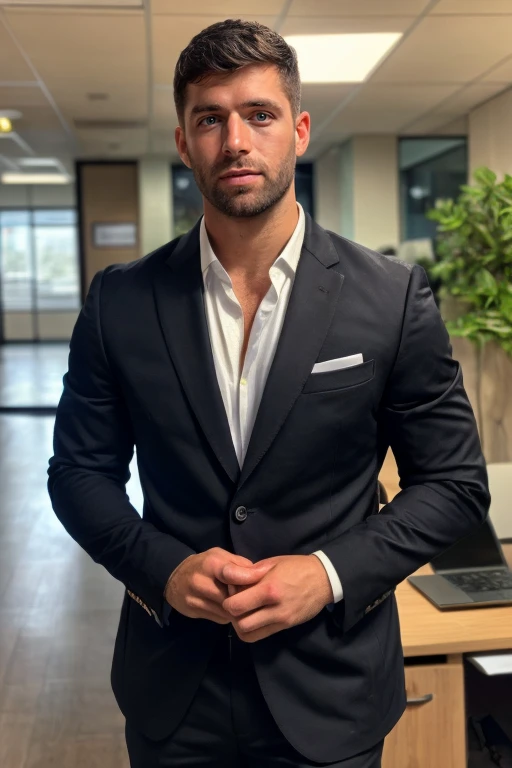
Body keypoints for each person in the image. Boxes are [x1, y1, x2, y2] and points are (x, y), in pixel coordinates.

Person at [48, 18, 490, 768]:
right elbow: (78, 475)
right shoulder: (121, 301)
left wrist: (326, 573)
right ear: (185, 143)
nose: (236, 141)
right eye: (210, 119)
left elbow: (453, 484)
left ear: (299, 129)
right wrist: (165, 567)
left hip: (332, 687)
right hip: (173, 686)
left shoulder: (388, 298)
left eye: (259, 114)